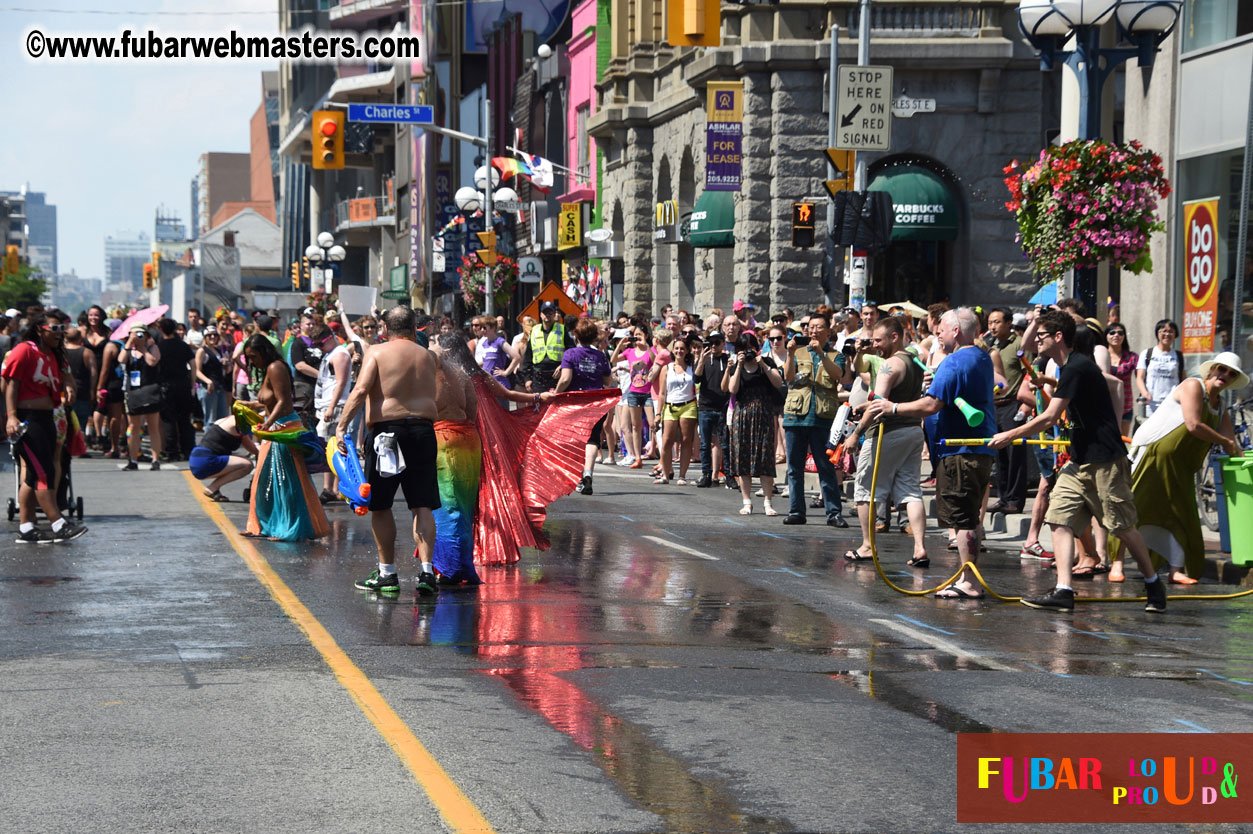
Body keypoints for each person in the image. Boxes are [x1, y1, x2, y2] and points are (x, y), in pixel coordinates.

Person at [991, 311, 1167, 613]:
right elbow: (1061, 391)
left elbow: (1047, 418)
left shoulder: (1077, 367)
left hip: (1106, 460)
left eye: (1043, 335)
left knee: (1121, 526)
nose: (1038, 341)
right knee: (1059, 517)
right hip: (1078, 460)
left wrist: (1010, 434)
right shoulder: (1066, 368)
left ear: (1058, 337)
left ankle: (1153, 583)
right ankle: (1063, 590)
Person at [866, 308, 995, 598]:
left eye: (942, 328)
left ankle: (970, 583)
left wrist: (893, 407)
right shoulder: (981, 357)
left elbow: (930, 406)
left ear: (956, 332)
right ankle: (968, 577)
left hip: (959, 450)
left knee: (962, 517)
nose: (936, 333)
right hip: (973, 448)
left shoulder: (954, 362)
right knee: (969, 515)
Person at [1109, 352, 1247, 584]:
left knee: (1181, 515)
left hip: (1181, 466)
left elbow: (1230, 439)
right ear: (1212, 370)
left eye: (1231, 374)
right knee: (1134, 506)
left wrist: (1243, 460)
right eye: (1222, 369)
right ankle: (1117, 562)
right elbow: (1194, 425)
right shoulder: (1193, 386)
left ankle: (1175, 569)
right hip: (1153, 456)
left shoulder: (1220, 404)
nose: (1225, 375)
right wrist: (1225, 442)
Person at [337, 306, 442, 597]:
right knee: (421, 504)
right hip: (422, 431)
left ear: (384, 328)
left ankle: (387, 574)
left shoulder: (376, 352)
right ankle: (426, 572)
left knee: (381, 505)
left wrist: (341, 426)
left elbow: (360, 391)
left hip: (387, 434)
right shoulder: (428, 356)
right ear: (413, 328)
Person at [844, 316, 929, 565]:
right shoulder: (914, 360)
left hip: (887, 433)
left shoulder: (889, 365)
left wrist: (856, 433)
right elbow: (892, 399)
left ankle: (868, 546)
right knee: (911, 491)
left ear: (894, 337)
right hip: (913, 431)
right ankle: (920, 548)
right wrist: (867, 404)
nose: (875, 345)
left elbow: (880, 405)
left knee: (865, 491)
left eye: (879, 340)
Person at [2, 314, 88, 543]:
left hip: (49, 417)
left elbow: (67, 378)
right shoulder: (23, 350)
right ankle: (58, 524)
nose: (60, 332)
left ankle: (27, 527)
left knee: (32, 475)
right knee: (43, 472)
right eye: (55, 328)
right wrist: (11, 418)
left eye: (63, 328)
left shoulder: (55, 354)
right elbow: (10, 385)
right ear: (41, 329)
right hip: (26, 419)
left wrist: (69, 388)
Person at [241, 333, 331, 542]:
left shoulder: (275, 367)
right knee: (265, 481)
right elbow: (269, 401)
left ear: (264, 352)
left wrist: (267, 423)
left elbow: (283, 402)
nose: (251, 361)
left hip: (283, 429)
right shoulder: (267, 370)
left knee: (285, 481)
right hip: (273, 430)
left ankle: (288, 527)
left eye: (253, 356)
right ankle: (263, 525)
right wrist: (250, 405)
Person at [781, 314, 847, 527]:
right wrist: (790, 354)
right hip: (796, 416)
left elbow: (838, 375)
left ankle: (834, 513)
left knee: (826, 467)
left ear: (828, 331)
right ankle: (796, 511)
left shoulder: (836, 355)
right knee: (794, 468)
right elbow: (788, 377)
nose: (814, 331)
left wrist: (821, 354)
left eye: (819, 327)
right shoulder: (798, 352)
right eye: (811, 327)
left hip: (822, 417)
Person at [428, 333, 482, 585]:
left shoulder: (429, 373)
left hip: (444, 439)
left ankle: (448, 569)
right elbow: (473, 407)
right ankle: (461, 565)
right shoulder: (460, 372)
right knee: (463, 507)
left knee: (446, 506)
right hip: (469, 439)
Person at [725, 331, 783, 515]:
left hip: (763, 414)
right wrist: (740, 365)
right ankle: (746, 501)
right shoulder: (737, 366)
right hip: (742, 416)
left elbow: (778, 383)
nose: (748, 352)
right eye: (743, 349)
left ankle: (767, 501)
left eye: (750, 348)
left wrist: (762, 364)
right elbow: (732, 389)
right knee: (743, 458)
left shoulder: (767, 362)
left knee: (765, 457)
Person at [556, 318, 616, 493]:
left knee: (576, 440)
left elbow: (566, 379)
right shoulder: (600, 355)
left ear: (576, 335)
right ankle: (588, 473)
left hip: (577, 403)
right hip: (596, 402)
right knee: (592, 439)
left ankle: (577, 475)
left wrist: (556, 394)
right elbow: (607, 379)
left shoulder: (570, 354)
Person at [986, 307, 1030, 514]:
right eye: (990, 323)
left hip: (1014, 404)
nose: (993, 326)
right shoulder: (991, 346)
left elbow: (1030, 374)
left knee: (1016, 455)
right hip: (995, 406)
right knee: (1000, 454)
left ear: (1009, 323)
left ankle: (1015, 499)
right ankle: (1003, 498)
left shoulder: (1019, 344)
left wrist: (1026, 404)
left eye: (997, 322)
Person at [650, 333, 698, 485]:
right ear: (673, 351)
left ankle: (682, 475)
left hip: (688, 406)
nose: (679, 351)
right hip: (670, 406)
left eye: (682, 349)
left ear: (687, 351)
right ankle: (665, 474)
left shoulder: (692, 367)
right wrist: (658, 413)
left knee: (686, 440)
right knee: (666, 441)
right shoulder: (667, 368)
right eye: (676, 348)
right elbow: (662, 393)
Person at [313, 333, 355, 503]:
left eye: (320, 344)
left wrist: (331, 407)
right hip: (326, 406)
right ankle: (328, 488)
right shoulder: (330, 354)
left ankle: (337, 489)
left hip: (335, 407)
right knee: (327, 448)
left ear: (330, 337)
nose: (319, 348)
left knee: (335, 448)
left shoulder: (339, 355)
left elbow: (341, 382)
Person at [120, 325, 165, 471]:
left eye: (141, 334)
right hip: (133, 393)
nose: (138, 336)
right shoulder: (129, 351)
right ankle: (133, 460)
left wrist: (143, 348)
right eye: (135, 333)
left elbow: (153, 362)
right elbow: (121, 359)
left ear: (146, 335)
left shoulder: (153, 348)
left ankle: (155, 460)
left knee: (153, 426)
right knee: (134, 427)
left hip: (150, 390)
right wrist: (129, 343)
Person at [610, 325, 653, 468]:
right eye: (635, 335)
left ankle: (652, 447)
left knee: (653, 424)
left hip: (648, 392)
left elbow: (655, 359)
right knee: (635, 426)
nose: (637, 337)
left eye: (640, 334)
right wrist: (621, 344)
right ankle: (637, 457)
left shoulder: (650, 350)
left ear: (646, 335)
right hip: (633, 392)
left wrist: (646, 345)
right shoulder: (629, 351)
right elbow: (614, 358)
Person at [189, 413, 257, 501]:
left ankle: (213, 488)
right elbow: (253, 449)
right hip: (206, 460)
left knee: (242, 460)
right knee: (247, 465)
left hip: (197, 458)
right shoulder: (237, 424)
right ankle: (213, 488)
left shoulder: (225, 420)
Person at [156, 318, 196, 462]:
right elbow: (192, 364)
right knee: (184, 419)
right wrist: (193, 384)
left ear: (161, 329)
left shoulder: (158, 346)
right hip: (183, 385)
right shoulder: (183, 345)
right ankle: (188, 450)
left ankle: (172, 451)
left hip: (165, 386)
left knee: (168, 420)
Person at [694, 329, 730, 488]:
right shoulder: (703, 359)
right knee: (705, 443)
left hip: (722, 406)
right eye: (710, 343)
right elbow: (696, 378)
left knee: (723, 443)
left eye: (717, 343)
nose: (713, 346)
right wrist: (701, 359)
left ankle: (728, 474)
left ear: (723, 344)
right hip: (705, 407)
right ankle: (706, 474)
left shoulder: (728, 359)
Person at [522, 300, 574, 394]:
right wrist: (527, 379)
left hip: (557, 376)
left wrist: (563, 365)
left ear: (554, 314)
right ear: (541, 315)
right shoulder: (534, 330)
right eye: (545, 312)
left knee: (557, 406)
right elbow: (528, 357)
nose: (547, 315)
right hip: (538, 377)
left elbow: (571, 352)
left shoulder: (562, 329)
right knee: (540, 407)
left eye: (550, 312)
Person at [1135, 319, 1182, 418]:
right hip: (1151, 404)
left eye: (1171, 331)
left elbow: (1183, 379)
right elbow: (1140, 377)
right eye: (1164, 331)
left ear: (1175, 335)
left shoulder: (1178, 355)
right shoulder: (1147, 353)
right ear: (1157, 333)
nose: (1167, 334)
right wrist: (1145, 393)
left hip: (1172, 403)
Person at [194, 326, 232, 426]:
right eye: (209, 335)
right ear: (205, 337)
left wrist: (225, 364)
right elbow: (197, 371)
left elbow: (225, 371)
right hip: (208, 389)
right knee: (210, 420)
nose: (212, 337)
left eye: (215, 335)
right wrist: (208, 381)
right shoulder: (202, 351)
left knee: (223, 420)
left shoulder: (218, 350)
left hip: (220, 386)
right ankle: (208, 441)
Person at [1106, 322, 1138, 437]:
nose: (1116, 335)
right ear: (1106, 336)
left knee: (1122, 442)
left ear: (1124, 336)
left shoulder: (1132, 357)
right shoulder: (1100, 355)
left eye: (1120, 333)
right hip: (1106, 405)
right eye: (1112, 332)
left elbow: (1140, 377)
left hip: (1125, 405)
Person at [472, 316, 521, 391]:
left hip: (499, 384)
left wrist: (506, 372)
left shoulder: (500, 341)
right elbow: (485, 362)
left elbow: (517, 357)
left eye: (485, 328)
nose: (482, 330)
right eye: (481, 328)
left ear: (493, 328)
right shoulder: (484, 343)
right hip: (487, 385)